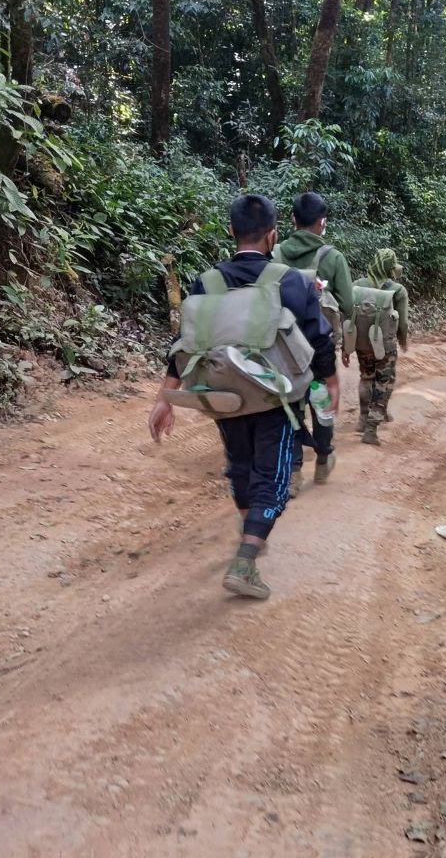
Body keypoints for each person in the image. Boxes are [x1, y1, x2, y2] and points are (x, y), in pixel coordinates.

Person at [148, 194, 339, 599]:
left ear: (231, 231)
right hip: (277, 399)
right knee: (275, 476)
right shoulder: (292, 281)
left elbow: (185, 342)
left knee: (240, 464)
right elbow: (319, 338)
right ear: (273, 235)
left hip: (226, 396)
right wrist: (330, 383)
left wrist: (165, 398)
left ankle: (251, 525)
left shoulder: (208, 282)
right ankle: (246, 560)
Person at [273, 191, 353, 493]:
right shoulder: (332, 257)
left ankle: (293, 472)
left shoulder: (275, 253)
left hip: (282, 347)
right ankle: (322, 458)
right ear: (322, 222)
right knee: (321, 401)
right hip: (318, 347)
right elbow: (348, 304)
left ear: (293, 219)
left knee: (290, 405)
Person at [353, 248, 408, 446]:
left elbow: (349, 312)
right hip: (385, 344)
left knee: (366, 377)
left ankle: (363, 418)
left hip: (362, 342)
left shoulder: (357, 285)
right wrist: (403, 339)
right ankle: (371, 430)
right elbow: (403, 322)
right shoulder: (398, 290)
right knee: (384, 382)